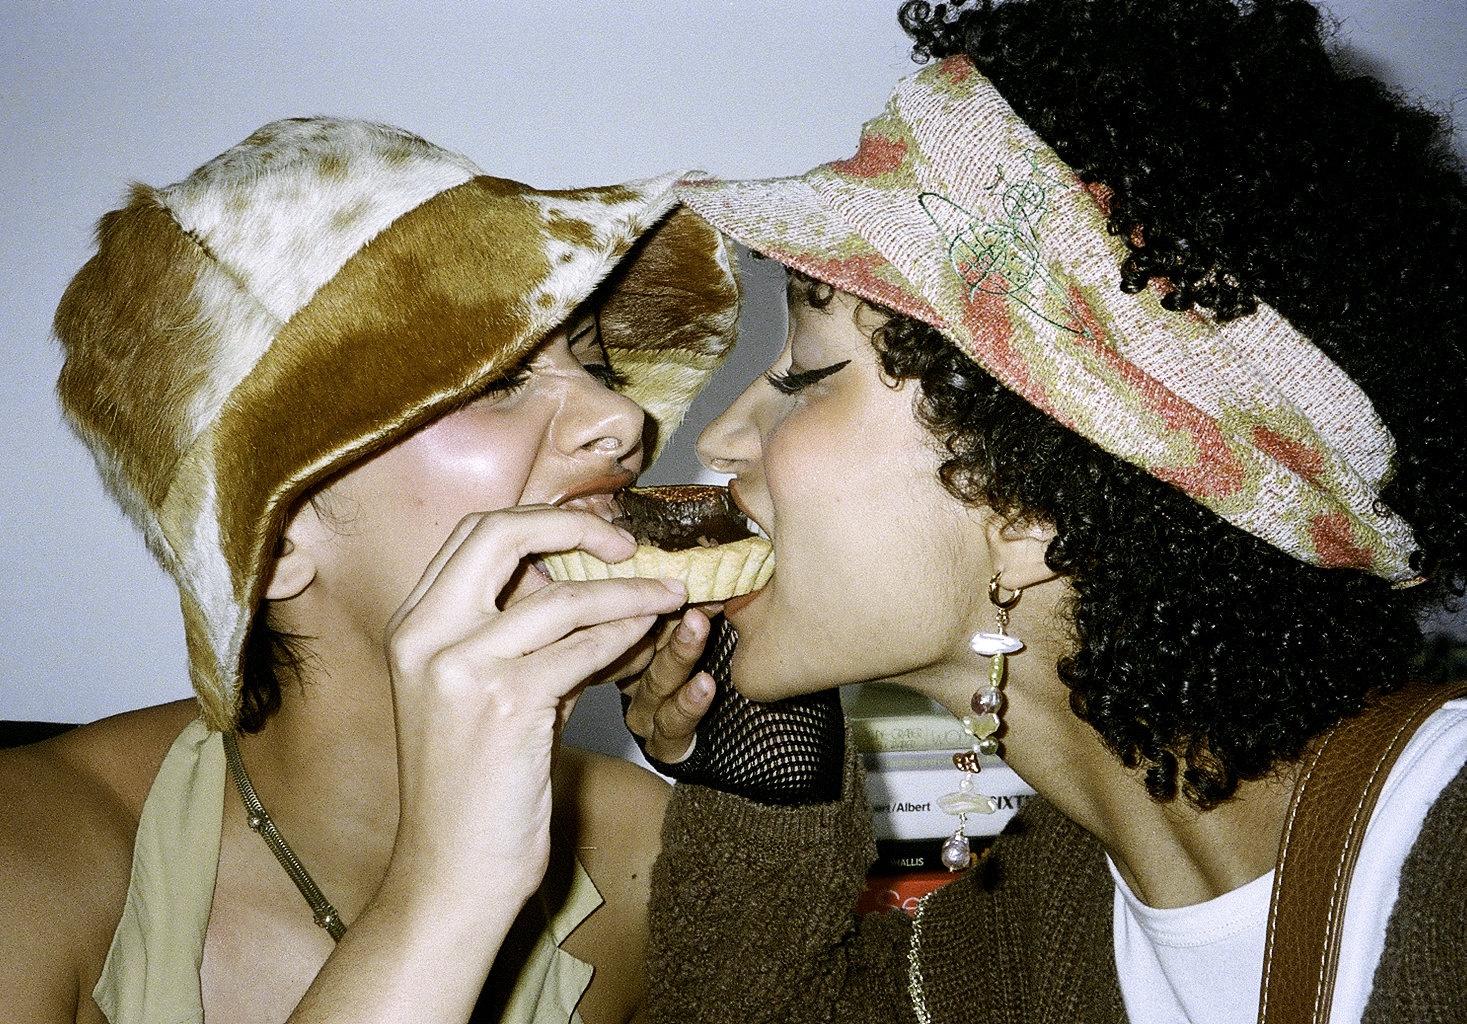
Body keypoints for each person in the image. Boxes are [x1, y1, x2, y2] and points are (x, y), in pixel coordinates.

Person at [623, 1, 1467, 1021]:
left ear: (1030, 485)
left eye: (805, 375)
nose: (719, 442)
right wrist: (757, 727)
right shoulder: (1016, 939)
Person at [0, 116, 741, 1023]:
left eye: (594, 366)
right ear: (274, 537)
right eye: (496, 380)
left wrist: (754, 721)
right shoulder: (29, 854)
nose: (622, 425)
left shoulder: (646, 857)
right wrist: (452, 885)